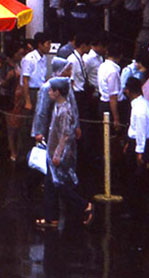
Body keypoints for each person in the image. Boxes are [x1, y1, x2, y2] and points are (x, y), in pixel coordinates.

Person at [40, 78, 93, 228]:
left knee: (59, 185)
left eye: (51, 90)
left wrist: (58, 153)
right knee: (51, 184)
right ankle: (51, 217)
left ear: (57, 92)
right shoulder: (58, 107)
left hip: (59, 153)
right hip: (53, 150)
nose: (49, 92)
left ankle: (84, 205)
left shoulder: (64, 111)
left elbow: (65, 134)